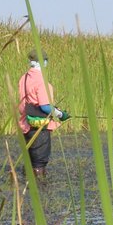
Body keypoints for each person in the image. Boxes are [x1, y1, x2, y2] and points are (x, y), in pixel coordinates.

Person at [17, 49, 70, 181]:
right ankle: (41, 194)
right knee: (39, 163)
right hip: (39, 127)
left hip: (25, 124)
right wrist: (61, 114)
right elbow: (45, 107)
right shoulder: (42, 81)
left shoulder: (23, 78)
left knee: (29, 161)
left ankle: (26, 191)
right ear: (43, 62)